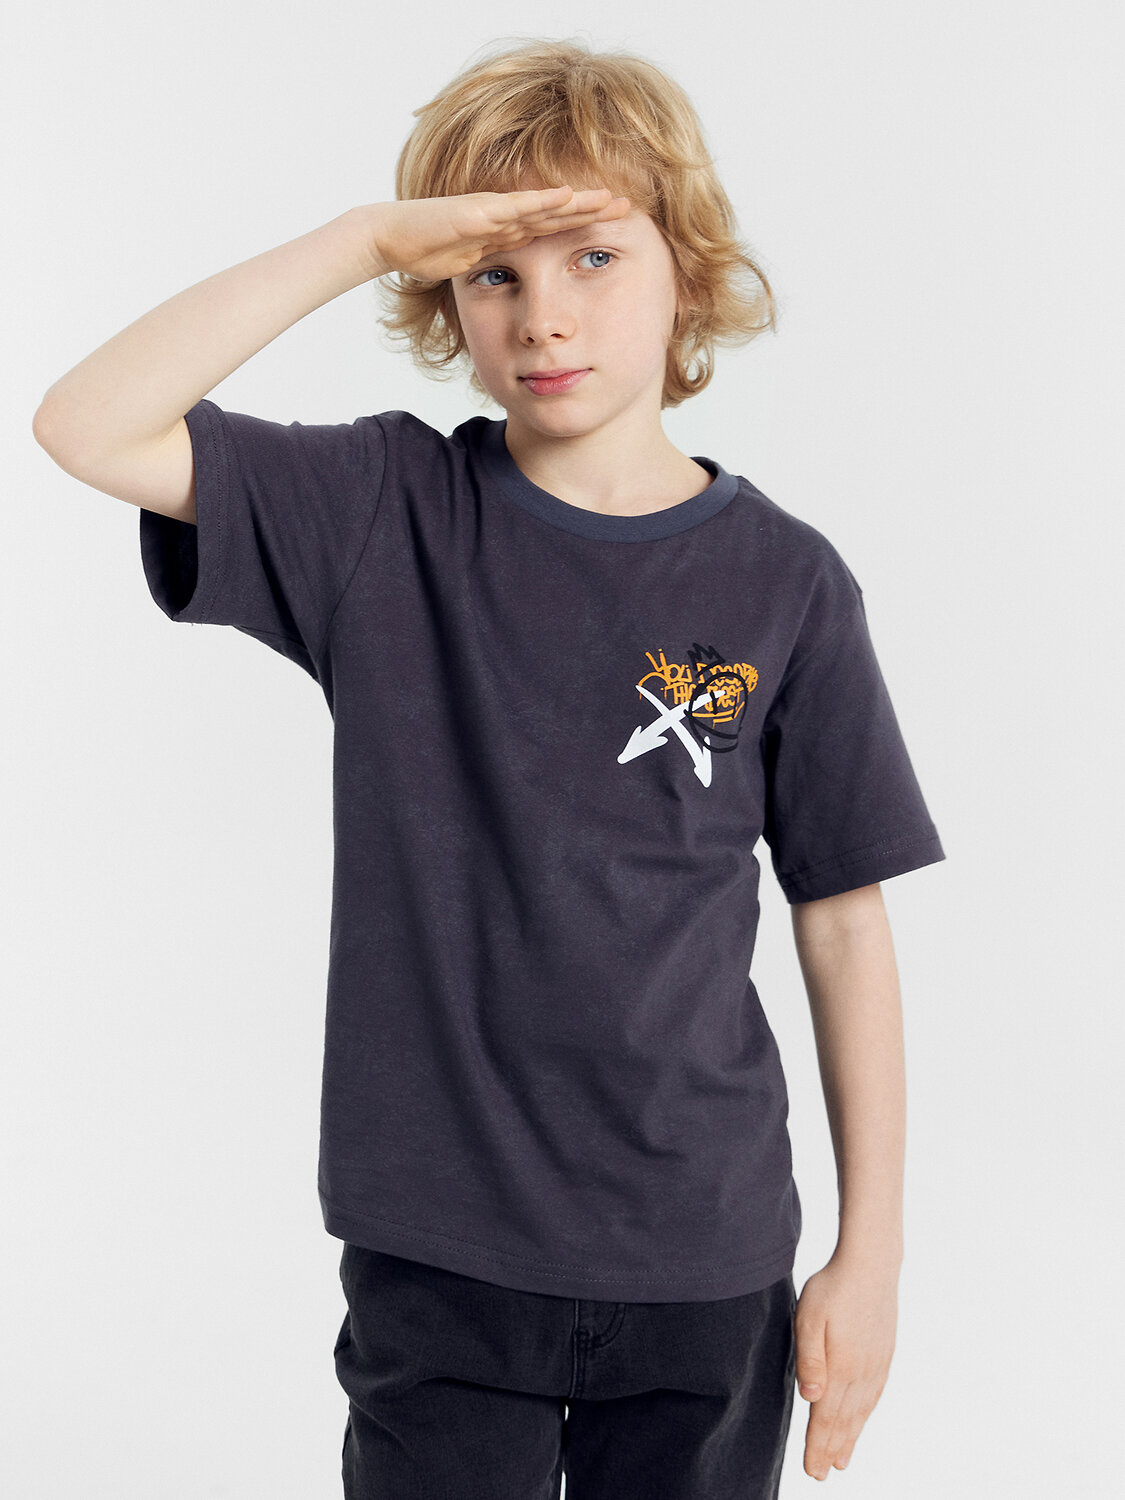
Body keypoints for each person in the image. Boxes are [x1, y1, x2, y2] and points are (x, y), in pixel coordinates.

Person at [32, 35, 945, 1500]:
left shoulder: (788, 583)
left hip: (701, 1257)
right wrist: (361, 240)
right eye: (491, 273)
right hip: (440, 1258)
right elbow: (87, 424)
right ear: (443, 295)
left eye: (593, 257)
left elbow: (842, 920)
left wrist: (871, 1255)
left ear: (687, 269)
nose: (542, 315)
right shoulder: (379, 511)